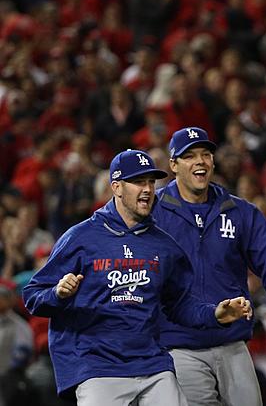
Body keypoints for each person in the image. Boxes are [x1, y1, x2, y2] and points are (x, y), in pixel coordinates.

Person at [22, 149, 252, 406]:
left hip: (152, 363)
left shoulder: (163, 245)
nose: (147, 189)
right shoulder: (81, 238)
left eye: (151, 182)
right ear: (117, 187)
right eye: (138, 182)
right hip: (98, 366)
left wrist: (215, 315)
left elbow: (179, 304)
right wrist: (58, 293)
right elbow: (33, 295)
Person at [152, 127, 266, 406]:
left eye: (206, 154)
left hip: (232, 344)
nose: (200, 161)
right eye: (190, 156)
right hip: (180, 345)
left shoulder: (239, 211)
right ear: (173, 165)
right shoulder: (153, 212)